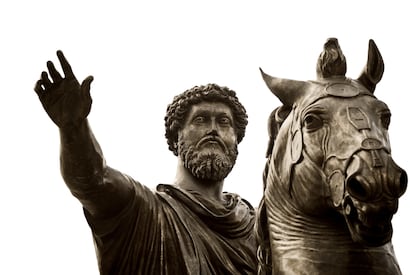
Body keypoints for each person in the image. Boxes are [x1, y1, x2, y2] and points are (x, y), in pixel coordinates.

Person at [34, 51, 257, 274]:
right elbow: (93, 181)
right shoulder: (143, 211)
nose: (213, 130)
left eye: (224, 122)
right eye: (200, 119)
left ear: (237, 140)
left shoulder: (259, 227)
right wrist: (73, 127)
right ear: (176, 138)